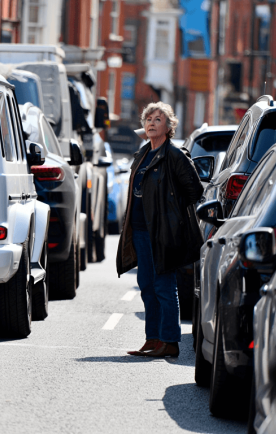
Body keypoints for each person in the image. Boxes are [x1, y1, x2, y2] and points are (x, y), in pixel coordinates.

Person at [116, 102, 204, 358]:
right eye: (148, 118)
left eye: (158, 118)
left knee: (164, 286)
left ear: (169, 127)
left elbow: (194, 191)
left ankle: (170, 341)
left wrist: (171, 214)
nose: (152, 122)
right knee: (146, 285)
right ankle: (152, 339)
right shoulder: (142, 155)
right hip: (141, 231)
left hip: (163, 233)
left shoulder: (175, 155)